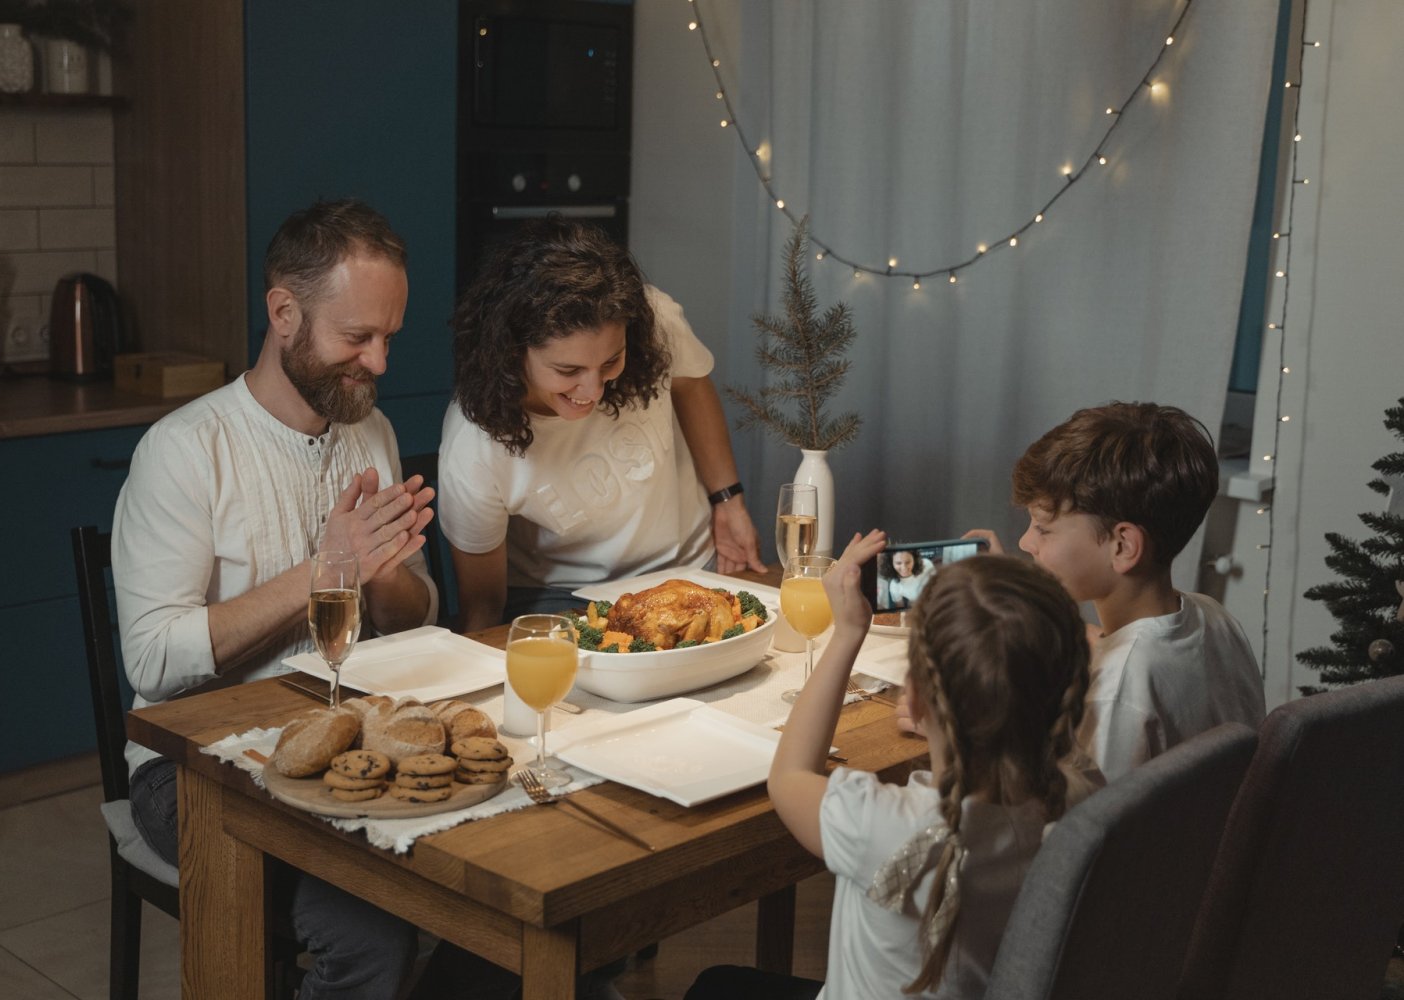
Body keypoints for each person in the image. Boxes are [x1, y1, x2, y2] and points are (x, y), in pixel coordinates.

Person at [113, 199, 438, 998]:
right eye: (357, 337)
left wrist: (383, 570)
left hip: (347, 739)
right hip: (189, 767)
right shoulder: (185, 452)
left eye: (389, 336)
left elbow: (415, 617)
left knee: (498, 879)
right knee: (373, 930)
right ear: (284, 313)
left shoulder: (372, 433)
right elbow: (152, 660)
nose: (381, 361)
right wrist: (325, 570)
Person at [687, 532, 1098, 999]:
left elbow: (788, 778)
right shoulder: (1078, 797)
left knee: (714, 986)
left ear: (917, 698)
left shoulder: (883, 825)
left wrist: (845, 634)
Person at [438, 217, 765, 634]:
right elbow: (482, 604)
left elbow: (691, 385)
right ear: (512, 352)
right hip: (564, 598)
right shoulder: (474, 444)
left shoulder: (655, 319)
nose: (592, 390)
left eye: (610, 362)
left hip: (691, 565)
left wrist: (728, 500)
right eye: (568, 369)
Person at [965, 401, 1266, 782]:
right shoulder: (1214, 617)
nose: (1026, 542)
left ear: (1123, 547)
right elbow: (1115, 643)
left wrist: (965, 737)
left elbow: (1084, 832)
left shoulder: (1116, 692)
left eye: (1043, 527)